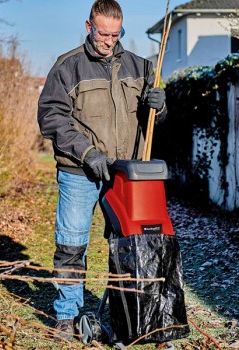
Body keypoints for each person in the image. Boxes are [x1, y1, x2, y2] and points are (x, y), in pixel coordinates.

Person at [37, 0, 167, 341]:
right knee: (71, 244)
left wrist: (161, 106)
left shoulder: (142, 66)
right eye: (102, 33)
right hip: (80, 172)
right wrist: (87, 153)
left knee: (125, 245)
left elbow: (153, 121)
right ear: (88, 26)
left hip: (126, 175)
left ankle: (125, 315)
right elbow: (51, 117)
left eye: (115, 33)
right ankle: (67, 316)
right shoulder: (67, 67)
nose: (108, 40)